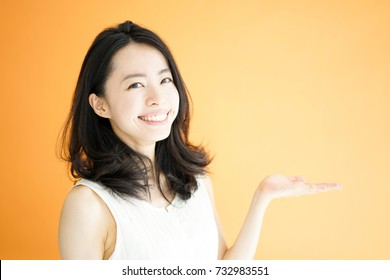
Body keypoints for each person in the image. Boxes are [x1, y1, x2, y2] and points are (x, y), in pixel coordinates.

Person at [58, 20, 341, 260]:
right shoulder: (89, 205)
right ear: (100, 105)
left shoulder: (196, 181)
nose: (157, 99)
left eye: (165, 80)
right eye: (136, 85)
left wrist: (262, 198)